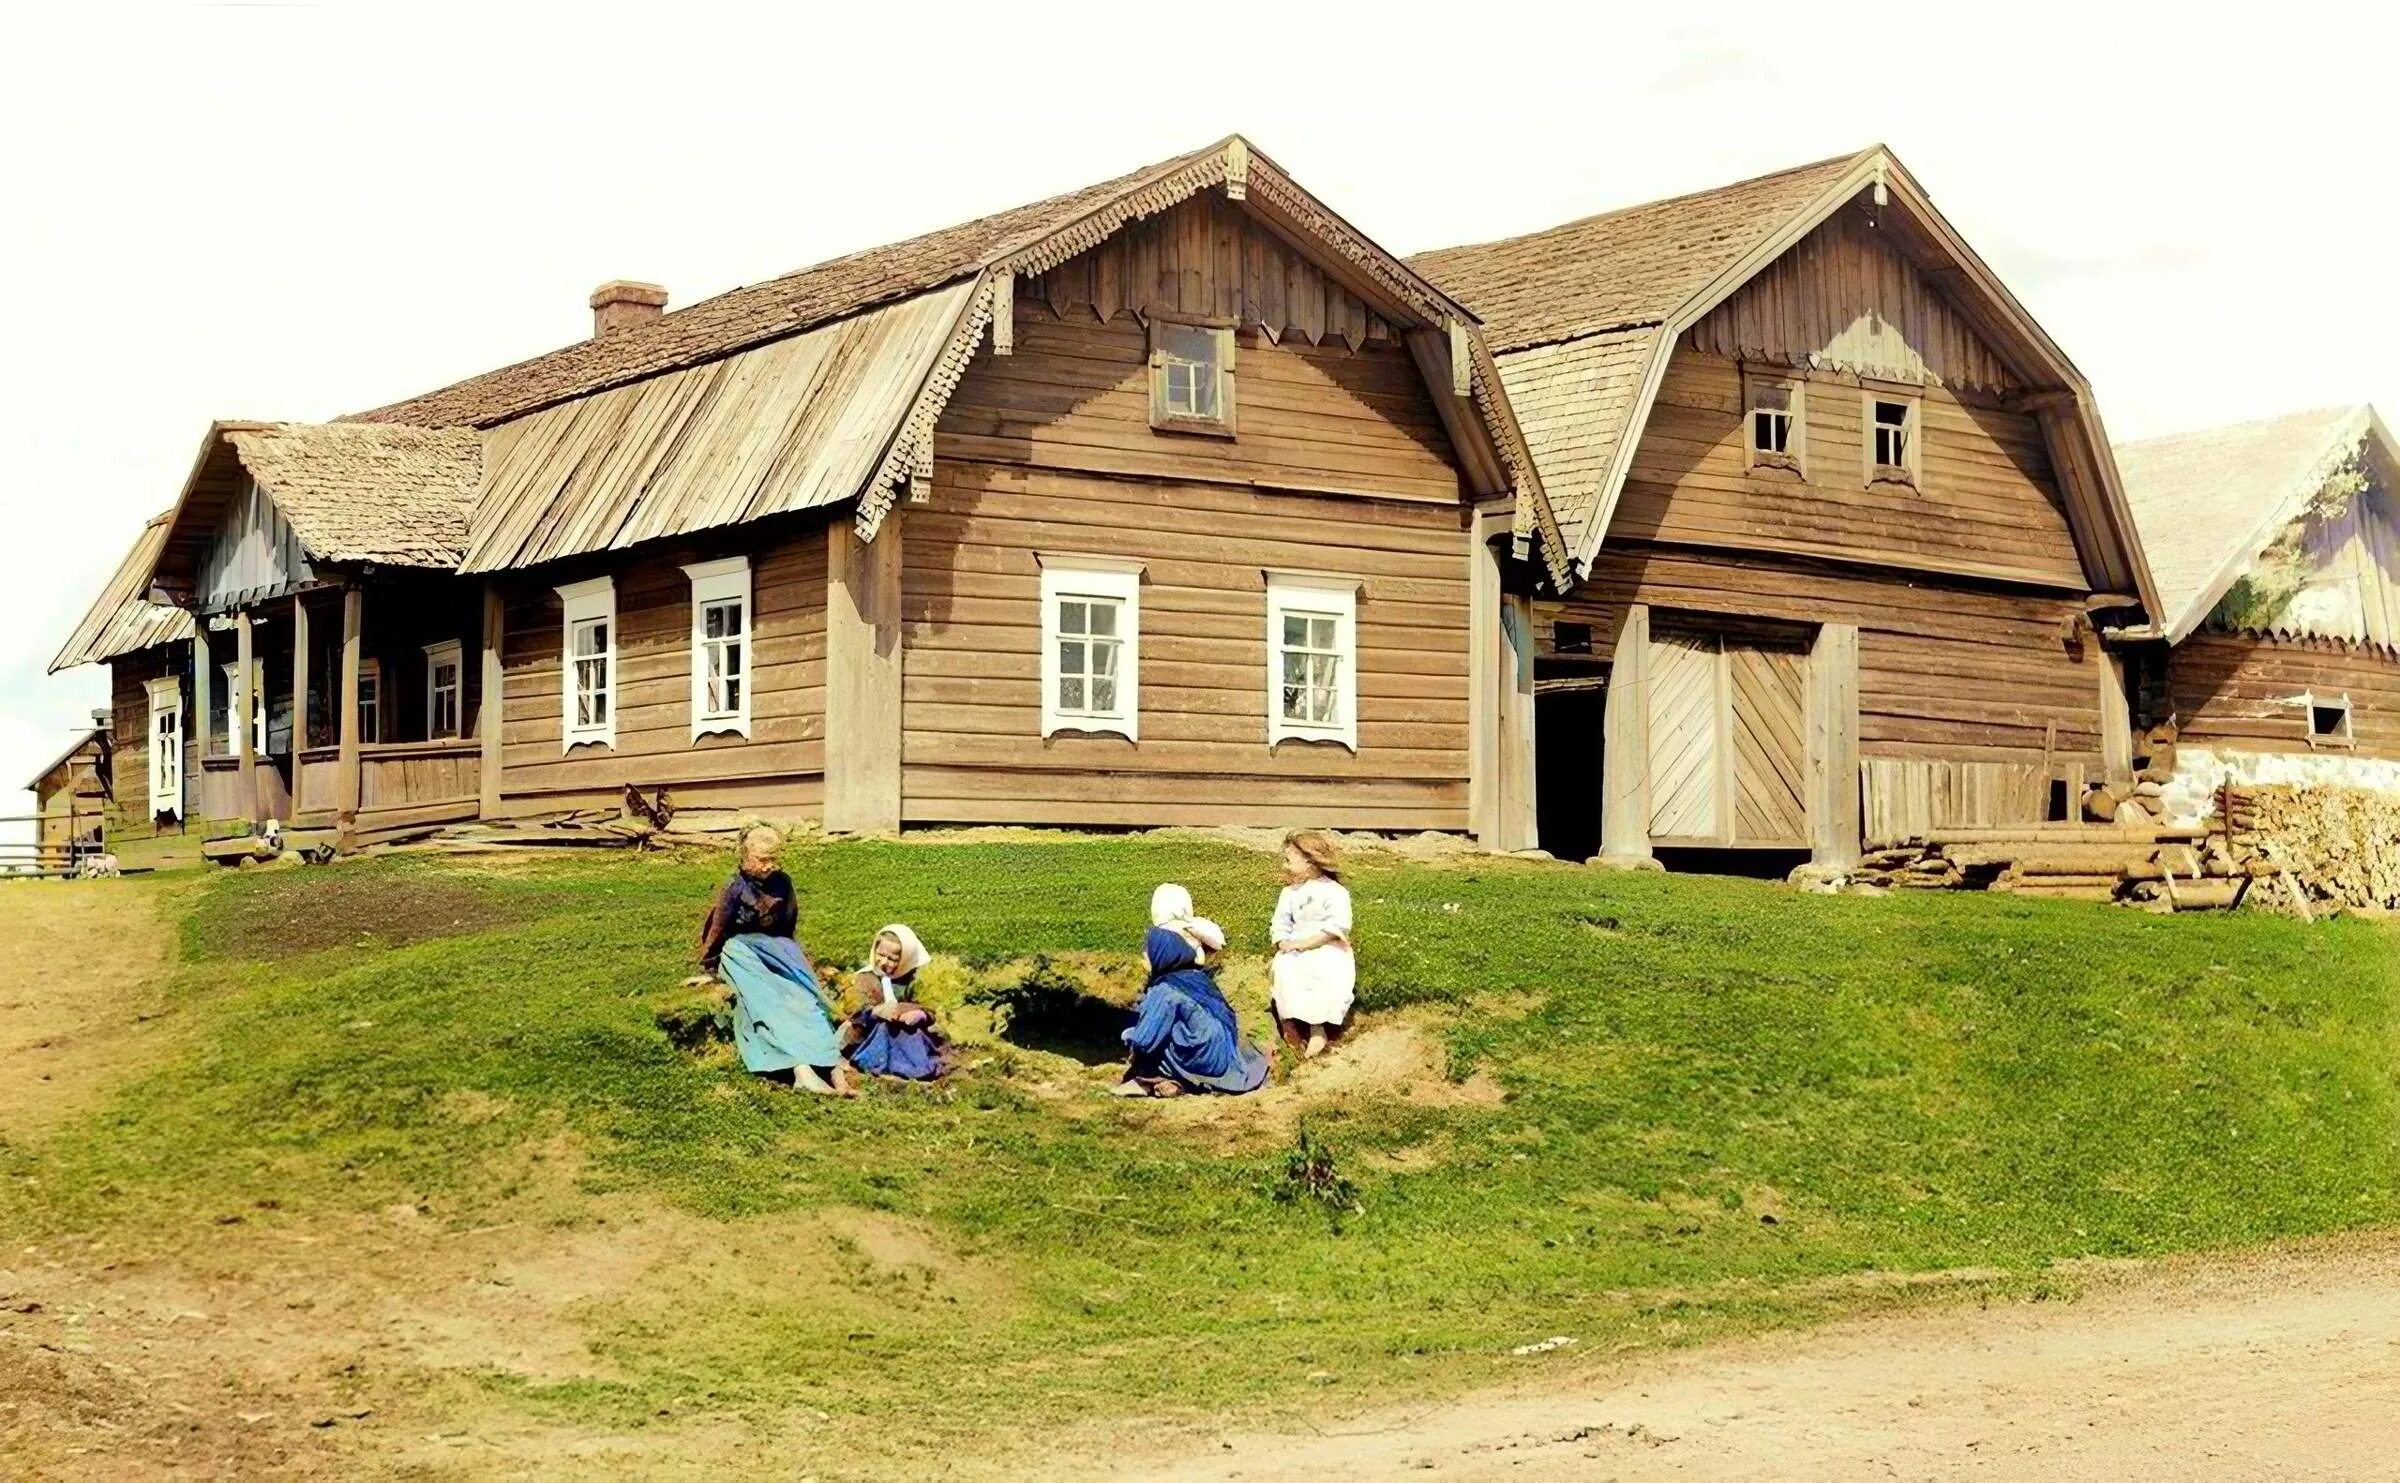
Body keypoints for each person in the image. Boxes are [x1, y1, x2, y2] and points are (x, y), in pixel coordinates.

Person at [696, 826, 853, 1096]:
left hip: (777, 948)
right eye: (762, 859)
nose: (769, 866)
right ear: (744, 856)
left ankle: (833, 1069)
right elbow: (717, 929)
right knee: (767, 1004)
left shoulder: (783, 882)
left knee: (804, 1000)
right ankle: (801, 1070)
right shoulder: (734, 887)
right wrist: (710, 966)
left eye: (773, 859)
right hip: (741, 951)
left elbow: (788, 923)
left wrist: (793, 958)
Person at [1113, 926, 1268, 1098]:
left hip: (1203, 1059)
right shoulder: (1197, 977)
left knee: (1148, 1046)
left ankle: (1152, 1081)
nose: (1143, 957)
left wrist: (1127, 1035)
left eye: (1146, 952)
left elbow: (1144, 1040)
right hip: (1224, 1056)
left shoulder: (1165, 989)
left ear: (1160, 955)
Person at [1269, 829, 1355, 1060]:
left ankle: (1318, 1029)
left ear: (1310, 862)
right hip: (1295, 946)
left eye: (1290, 860)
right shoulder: (1289, 893)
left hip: (1326, 944)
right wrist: (1283, 941)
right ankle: (1289, 1024)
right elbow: (1280, 922)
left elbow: (1338, 926)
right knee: (1285, 969)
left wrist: (1306, 944)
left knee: (1321, 970)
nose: (1285, 866)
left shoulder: (1335, 892)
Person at [842, 924, 946, 1081]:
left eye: (892, 959)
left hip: (907, 1035)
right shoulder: (866, 978)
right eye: (880, 955)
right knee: (882, 1030)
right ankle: (875, 1063)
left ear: (905, 960)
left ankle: (913, 1068)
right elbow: (855, 1010)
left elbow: (930, 1006)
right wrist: (875, 1011)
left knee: (913, 1038)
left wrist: (920, 1014)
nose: (883, 962)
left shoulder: (914, 980)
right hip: (873, 1031)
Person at [1148, 882, 1227, 963]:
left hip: (1161, 966)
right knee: (1198, 958)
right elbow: (1205, 936)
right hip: (1185, 963)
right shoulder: (1186, 927)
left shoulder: (1153, 933)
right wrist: (1218, 945)